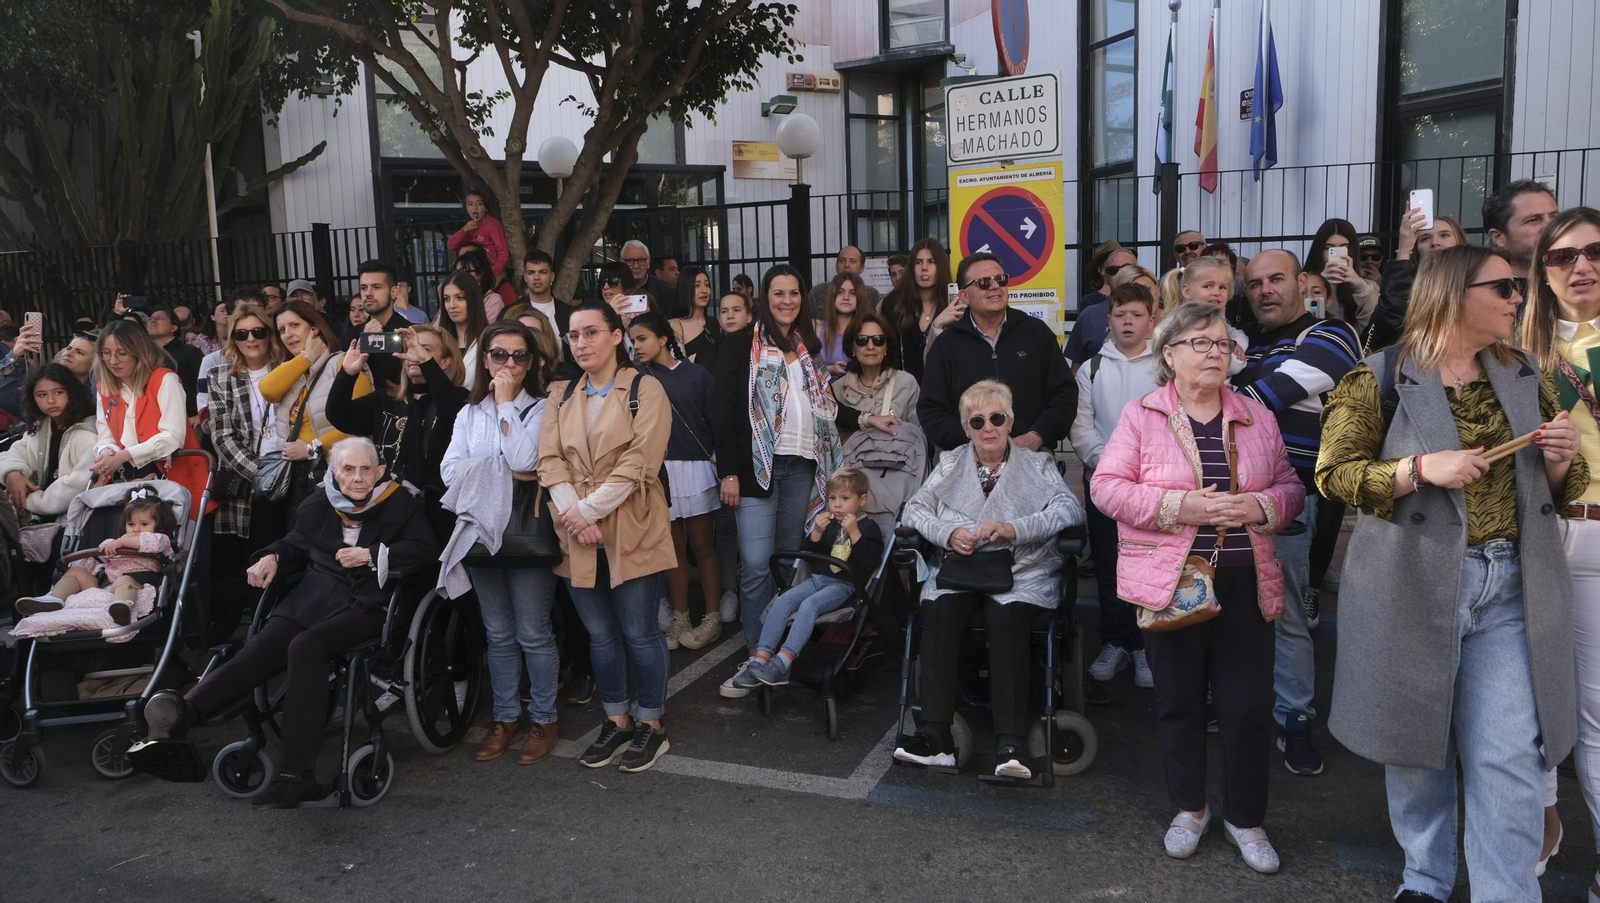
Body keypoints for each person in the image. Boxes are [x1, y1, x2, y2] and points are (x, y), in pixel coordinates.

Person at [1317, 244, 1584, 902]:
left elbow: (1554, 484)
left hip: (1511, 587)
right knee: (1416, 746)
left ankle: (1508, 891)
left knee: (1510, 755)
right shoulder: (1380, 374)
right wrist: (1417, 471)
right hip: (1415, 584)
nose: (1518, 298)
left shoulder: (1524, 372)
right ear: (1453, 294)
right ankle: (1425, 877)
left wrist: (1560, 456)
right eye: (1504, 287)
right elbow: (1333, 474)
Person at [1091, 300, 1306, 874]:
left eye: (1222, 343)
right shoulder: (1142, 415)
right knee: (1179, 703)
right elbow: (1106, 488)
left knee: (1247, 706)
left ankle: (1246, 818)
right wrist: (1177, 505)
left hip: (1245, 580)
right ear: (1170, 355)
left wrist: (1262, 504)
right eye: (1200, 342)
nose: (1215, 352)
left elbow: (1289, 486)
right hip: (1171, 583)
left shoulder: (1256, 414)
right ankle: (1190, 809)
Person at [130, 438, 437, 807]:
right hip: (315, 597)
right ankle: (183, 713)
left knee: (306, 648)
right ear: (333, 473)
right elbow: (295, 542)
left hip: (369, 603)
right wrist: (272, 556)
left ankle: (296, 774)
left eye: (366, 469)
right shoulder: (319, 503)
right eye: (348, 469)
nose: (358, 478)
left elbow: (425, 552)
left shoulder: (399, 503)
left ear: (380, 472)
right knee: (262, 645)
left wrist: (373, 555)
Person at [894, 379, 1081, 779]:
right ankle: (935, 737)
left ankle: (1010, 743)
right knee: (939, 611)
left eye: (997, 417)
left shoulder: (1038, 463)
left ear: (1011, 421)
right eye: (977, 420)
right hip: (962, 567)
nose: (988, 427)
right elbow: (914, 510)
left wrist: (1016, 528)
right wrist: (947, 534)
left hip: (1021, 570)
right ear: (965, 428)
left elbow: (1069, 510)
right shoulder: (949, 462)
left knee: (1005, 619)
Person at [1235, 249, 1361, 778]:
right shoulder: (1240, 342)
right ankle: (1240, 712)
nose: (1265, 290)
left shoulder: (1330, 334)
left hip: (1286, 500)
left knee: (1283, 616)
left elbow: (1281, 389)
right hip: (1225, 500)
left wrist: (1234, 398)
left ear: (1303, 281)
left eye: (1276, 279)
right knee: (1228, 613)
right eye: (1255, 283)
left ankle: (1295, 720)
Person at [539, 301, 677, 773]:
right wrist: (575, 515)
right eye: (574, 335)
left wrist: (585, 510)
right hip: (576, 526)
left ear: (617, 336)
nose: (581, 343)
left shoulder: (645, 388)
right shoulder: (560, 393)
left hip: (631, 522)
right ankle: (616, 720)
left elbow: (641, 460)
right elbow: (549, 460)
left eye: (591, 332)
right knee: (600, 634)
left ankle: (651, 724)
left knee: (639, 632)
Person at [1517, 206, 1600, 891]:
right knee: (1534, 698)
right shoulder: (1520, 350)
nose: (1582, 265)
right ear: (1542, 269)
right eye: (1563, 255)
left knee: (1597, 716)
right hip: (1541, 532)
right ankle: (1543, 821)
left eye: (1596, 250)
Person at [435, 320, 562, 764]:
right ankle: (506, 717)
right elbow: (448, 474)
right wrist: (503, 467)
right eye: (499, 355)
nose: (509, 363)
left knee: (533, 632)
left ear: (531, 362)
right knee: (499, 633)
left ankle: (544, 717)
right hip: (478, 536)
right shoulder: (468, 414)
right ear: (484, 358)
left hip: (526, 536)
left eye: (519, 356)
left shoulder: (543, 409)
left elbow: (529, 459)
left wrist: (506, 406)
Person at [715, 264, 843, 693]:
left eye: (793, 293)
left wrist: (868, 418)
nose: (786, 301)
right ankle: (756, 653)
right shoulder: (738, 345)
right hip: (755, 470)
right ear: (763, 300)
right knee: (754, 565)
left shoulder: (808, 347)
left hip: (802, 466)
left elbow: (823, 405)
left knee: (789, 561)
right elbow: (724, 413)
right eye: (777, 294)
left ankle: (777, 649)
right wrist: (728, 471)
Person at [1070, 283, 1160, 689]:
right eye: (1120, 314)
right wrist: (1111, 469)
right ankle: (1115, 641)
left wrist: (1148, 470)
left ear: (1151, 321)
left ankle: (1145, 646)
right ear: (1108, 321)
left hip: (1154, 487)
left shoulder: (1165, 367)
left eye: (1136, 315)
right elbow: (1082, 428)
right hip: (1106, 486)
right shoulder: (1091, 369)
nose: (1128, 321)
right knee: (1110, 564)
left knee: (1151, 566)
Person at [729, 466, 884, 690]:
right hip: (817, 579)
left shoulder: (869, 528)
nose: (837, 504)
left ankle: (782, 662)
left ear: (862, 500)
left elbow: (870, 561)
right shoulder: (828, 523)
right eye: (832, 498)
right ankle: (761, 658)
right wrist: (817, 534)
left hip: (844, 586)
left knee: (809, 606)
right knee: (782, 600)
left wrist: (855, 533)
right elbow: (808, 556)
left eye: (845, 498)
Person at [919, 252, 1078, 454]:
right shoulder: (946, 346)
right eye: (984, 282)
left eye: (1001, 280)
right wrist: (974, 442)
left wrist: (1038, 435)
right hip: (967, 457)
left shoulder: (1036, 333)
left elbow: (1065, 394)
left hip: (1032, 454)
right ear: (964, 296)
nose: (995, 286)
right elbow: (931, 410)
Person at [629, 312, 723, 651]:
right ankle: (680, 616)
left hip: (696, 468)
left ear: (663, 338)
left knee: (702, 546)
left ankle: (712, 616)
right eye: (632, 340)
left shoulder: (697, 374)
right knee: (672, 549)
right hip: (658, 472)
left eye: (642, 338)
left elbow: (715, 423)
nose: (636, 346)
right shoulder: (635, 376)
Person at [328, 324, 467, 523]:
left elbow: (450, 411)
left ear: (445, 361)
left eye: (424, 349)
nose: (414, 354)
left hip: (439, 510)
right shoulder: (386, 399)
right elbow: (339, 416)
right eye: (409, 348)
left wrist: (427, 365)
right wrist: (347, 374)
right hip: (389, 507)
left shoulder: (459, 399)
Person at [207, 302, 289, 623]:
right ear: (232, 338)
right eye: (241, 333)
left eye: (258, 331)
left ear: (270, 334)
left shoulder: (290, 367)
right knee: (259, 554)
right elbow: (222, 436)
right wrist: (261, 474)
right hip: (253, 481)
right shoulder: (221, 376)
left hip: (295, 471)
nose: (251, 339)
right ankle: (264, 624)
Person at [261, 301, 370, 519]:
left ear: (315, 328)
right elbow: (268, 390)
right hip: (296, 474)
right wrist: (306, 357)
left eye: (294, 325)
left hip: (334, 470)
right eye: (282, 330)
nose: (288, 334)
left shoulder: (344, 364)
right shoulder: (295, 368)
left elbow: (360, 422)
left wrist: (313, 447)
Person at [89, 320, 209, 510]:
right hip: (125, 478)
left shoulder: (164, 379)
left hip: (172, 477)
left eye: (121, 353)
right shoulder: (104, 388)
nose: (112, 361)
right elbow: (105, 435)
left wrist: (123, 456)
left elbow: (173, 437)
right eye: (106, 353)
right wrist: (106, 452)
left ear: (139, 351)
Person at [15, 494, 176, 626]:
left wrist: (120, 542)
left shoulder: (160, 539)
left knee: (124, 580)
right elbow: (100, 556)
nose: (136, 529)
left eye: (144, 524)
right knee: (76, 572)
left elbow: (146, 543)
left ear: (160, 526)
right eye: (131, 523)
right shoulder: (117, 541)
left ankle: (122, 607)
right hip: (105, 584)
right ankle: (54, 598)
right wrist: (108, 548)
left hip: (137, 583)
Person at [0, 364, 98, 519]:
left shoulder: (88, 434)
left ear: (71, 392)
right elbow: (13, 454)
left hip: (72, 523)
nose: (51, 400)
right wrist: (12, 472)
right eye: (42, 395)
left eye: (58, 392)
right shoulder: (41, 426)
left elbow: (78, 485)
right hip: (35, 519)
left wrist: (29, 501)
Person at [1367, 207, 1471, 352]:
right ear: (1417, 249)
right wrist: (1404, 248)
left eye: (1444, 235)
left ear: (1459, 241)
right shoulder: (1408, 282)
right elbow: (1390, 328)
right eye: (1425, 238)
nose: (1435, 242)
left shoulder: (1477, 278)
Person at [830, 312, 918, 441]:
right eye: (862, 340)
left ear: (886, 347)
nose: (870, 346)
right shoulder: (837, 389)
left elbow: (919, 437)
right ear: (852, 348)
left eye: (878, 340)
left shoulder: (906, 383)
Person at [879, 238, 954, 382]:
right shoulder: (892, 303)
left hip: (944, 390)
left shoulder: (953, 304)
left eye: (931, 262)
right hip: (902, 392)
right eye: (918, 262)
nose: (924, 268)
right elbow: (886, 351)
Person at [1159, 257, 1249, 374]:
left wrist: (1236, 344)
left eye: (1222, 287)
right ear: (1186, 291)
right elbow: (1233, 366)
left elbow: (1239, 334)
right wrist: (1232, 354)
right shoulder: (1179, 323)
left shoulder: (1218, 321)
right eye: (1208, 286)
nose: (1216, 292)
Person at [1064, 247, 1139, 365]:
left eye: (1126, 268)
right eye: (1113, 270)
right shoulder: (1089, 315)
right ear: (1106, 276)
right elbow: (1077, 368)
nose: (1120, 274)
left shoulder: (1156, 312)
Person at [1305, 218, 1380, 331]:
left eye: (1344, 248)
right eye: (1329, 249)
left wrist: (1360, 286)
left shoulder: (1367, 287)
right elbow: (1305, 323)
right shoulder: (1302, 283)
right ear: (1319, 250)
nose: (1337, 255)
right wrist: (1317, 286)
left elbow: (1375, 328)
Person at [1484, 178, 1559, 273]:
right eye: (1533, 220)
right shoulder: (1481, 286)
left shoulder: (1579, 282)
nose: (1550, 227)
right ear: (1498, 237)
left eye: (1554, 217)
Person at [436, 271, 490, 392]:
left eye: (460, 298)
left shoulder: (490, 340)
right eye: (446, 299)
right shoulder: (438, 340)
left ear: (473, 299)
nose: (452, 305)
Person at [146, 307, 205, 418]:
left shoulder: (190, 352)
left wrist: (200, 415)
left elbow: (205, 385)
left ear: (173, 327)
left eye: (160, 318)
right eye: (150, 319)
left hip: (188, 417)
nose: (153, 321)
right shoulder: (143, 355)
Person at [448, 188, 510, 280]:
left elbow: (503, 251)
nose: (474, 207)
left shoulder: (493, 225)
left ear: (486, 208)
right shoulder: (468, 228)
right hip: (472, 271)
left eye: (479, 204)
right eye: (470, 204)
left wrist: (494, 273)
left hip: (490, 270)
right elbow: (451, 245)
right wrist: (464, 230)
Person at [806, 245, 883, 318]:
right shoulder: (818, 292)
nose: (846, 265)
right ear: (836, 266)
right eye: (842, 260)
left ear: (862, 268)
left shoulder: (873, 295)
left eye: (852, 261)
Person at [816, 272, 866, 377]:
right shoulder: (816, 327)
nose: (846, 297)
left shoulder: (867, 330)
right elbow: (801, 370)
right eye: (840, 292)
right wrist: (828, 370)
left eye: (853, 293)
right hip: (823, 389)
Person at [669, 266, 719, 370]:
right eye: (697, 285)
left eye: (707, 285)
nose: (704, 290)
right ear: (685, 290)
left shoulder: (714, 323)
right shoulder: (674, 325)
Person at [520, 251, 574, 338]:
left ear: (552, 276)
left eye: (543, 272)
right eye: (531, 273)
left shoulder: (569, 314)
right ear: (525, 277)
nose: (536, 277)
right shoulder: (511, 313)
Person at [621, 240, 679, 318]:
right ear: (621, 262)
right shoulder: (613, 288)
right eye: (630, 261)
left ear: (648, 263)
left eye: (641, 260)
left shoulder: (667, 291)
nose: (636, 266)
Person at [456, 247, 514, 322]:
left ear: (479, 274)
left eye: (464, 271)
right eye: (456, 272)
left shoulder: (493, 301)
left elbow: (483, 332)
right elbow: (438, 330)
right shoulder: (452, 299)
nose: (458, 277)